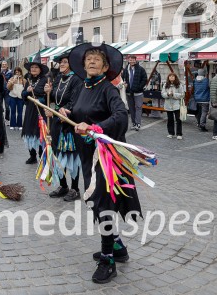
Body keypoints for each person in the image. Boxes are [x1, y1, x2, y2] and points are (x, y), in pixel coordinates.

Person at [68, 42, 140, 284]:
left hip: (105, 157)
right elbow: (79, 112)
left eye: (96, 59)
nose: (91, 62)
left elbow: (120, 116)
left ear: (106, 66)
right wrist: (66, 114)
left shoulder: (108, 89)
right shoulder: (83, 87)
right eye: (88, 59)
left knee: (104, 203)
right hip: (88, 156)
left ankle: (108, 259)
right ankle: (117, 246)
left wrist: (97, 128)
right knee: (95, 202)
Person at [44, 50, 83, 201]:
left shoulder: (77, 80)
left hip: (69, 124)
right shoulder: (60, 78)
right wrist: (48, 91)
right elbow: (54, 98)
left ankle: (75, 188)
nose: (61, 64)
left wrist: (54, 112)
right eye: (60, 62)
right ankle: (63, 185)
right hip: (57, 124)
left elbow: (74, 102)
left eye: (65, 62)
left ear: (72, 64)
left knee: (71, 157)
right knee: (57, 155)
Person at [21, 61, 49, 164]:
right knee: (29, 132)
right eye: (32, 67)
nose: (33, 69)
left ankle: (42, 156)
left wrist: (40, 100)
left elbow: (48, 97)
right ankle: (32, 156)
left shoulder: (45, 80)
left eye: (36, 67)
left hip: (40, 110)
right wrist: (27, 91)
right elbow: (23, 95)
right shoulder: (28, 80)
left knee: (39, 133)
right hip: (30, 110)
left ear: (40, 69)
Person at [121, 56, 147, 131]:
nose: (131, 61)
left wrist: (139, 87)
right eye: (130, 60)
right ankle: (134, 123)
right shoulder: (126, 69)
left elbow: (144, 79)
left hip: (138, 92)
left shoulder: (140, 69)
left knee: (138, 107)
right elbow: (123, 79)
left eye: (133, 60)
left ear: (135, 60)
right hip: (129, 92)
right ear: (128, 60)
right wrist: (124, 84)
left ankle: (138, 123)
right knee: (131, 108)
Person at [163, 72, 184, 139]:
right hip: (168, 104)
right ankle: (171, 133)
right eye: (170, 76)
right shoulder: (165, 85)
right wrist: (168, 94)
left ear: (175, 78)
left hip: (176, 105)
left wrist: (174, 94)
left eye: (173, 76)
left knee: (178, 119)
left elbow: (182, 94)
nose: (171, 77)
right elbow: (163, 93)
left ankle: (179, 134)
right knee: (170, 119)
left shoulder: (179, 85)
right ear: (168, 78)